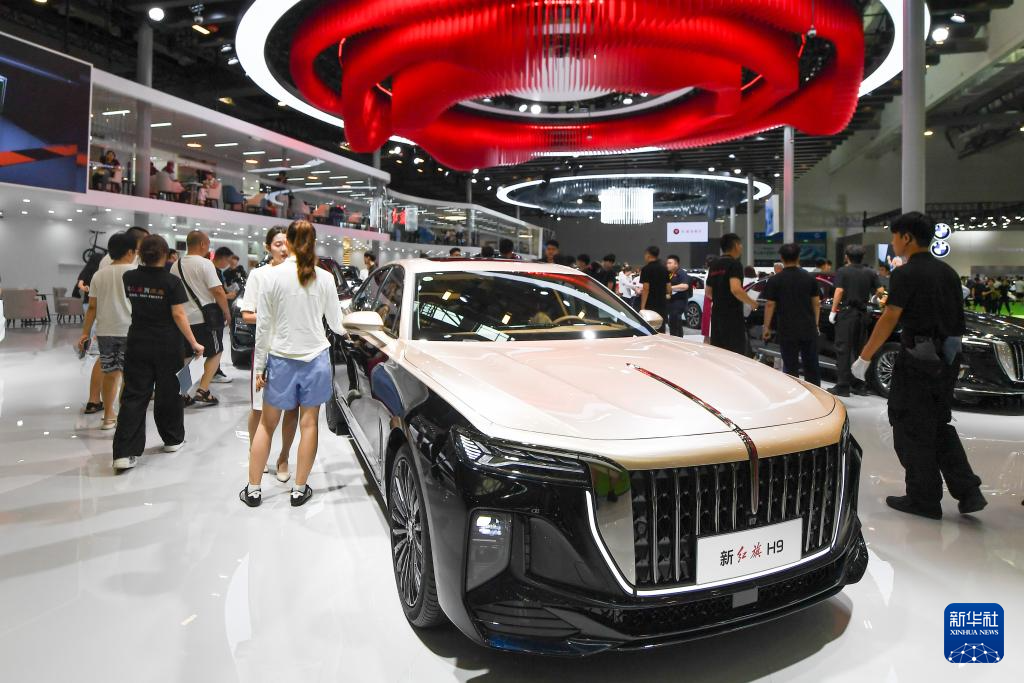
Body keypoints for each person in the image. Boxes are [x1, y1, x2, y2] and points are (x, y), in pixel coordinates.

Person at [853, 212, 986, 519]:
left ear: (907, 237)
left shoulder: (905, 273)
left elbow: (890, 317)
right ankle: (968, 491)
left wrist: (865, 356)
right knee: (938, 425)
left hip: (917, 359)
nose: (893, 243)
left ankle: (923, 498)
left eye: (894, 236)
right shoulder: (948, 273)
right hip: (947, 360)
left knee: (909, 426)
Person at [242, 221, 345, 508]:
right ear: (314, 242)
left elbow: (263, 327)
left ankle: (253, 489)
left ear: (287, 241)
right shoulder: (325, 278)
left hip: (280, 359)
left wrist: (260, 367)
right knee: (309, 424)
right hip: (316, 360)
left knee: (266, 425)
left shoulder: (271, 276)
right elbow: (336, 325)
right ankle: (299, 490)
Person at [112, 235, 205, 471]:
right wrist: (194, 342)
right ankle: (172, 439)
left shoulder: (129, 277)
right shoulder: (171, 282)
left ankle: (124, 453)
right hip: (167, 344)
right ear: (165, 254)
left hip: (137, 341)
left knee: (134, 395)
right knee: (169, 392)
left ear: (140, 254)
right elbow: (178, 315)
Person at [239, 227, 298, 482]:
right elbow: (246, 314)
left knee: (291, 409)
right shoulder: (259, 274)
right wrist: (273, 316)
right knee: (258, 409)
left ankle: (284, 457)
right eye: (277, 244)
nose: (283, 248)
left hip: (295, 351)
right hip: (267, 350)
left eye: (286, 243)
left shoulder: (299, 274)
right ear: (267, 247)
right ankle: (257, 454)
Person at [77, 232, 137, 429]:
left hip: (105, 332)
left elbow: (92, 307)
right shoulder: (135, 272)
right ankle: (125, 414)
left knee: (110, 373)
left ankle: (109, 415)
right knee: (129, 375)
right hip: (131, 330)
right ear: (130, 252)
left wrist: (85, 333)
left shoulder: (99, 274)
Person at [173, 230, 231, 406]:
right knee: (216, 351)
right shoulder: (205, 264)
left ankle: (182, 393)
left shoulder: (176, 264)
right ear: (202, 244)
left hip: (183, 320)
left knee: (189, 356)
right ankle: (203, 390)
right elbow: (218, 291)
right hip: (204, 319)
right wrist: (227, 312)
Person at [762, 243, 821, 386]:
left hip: (787, 328)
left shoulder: (775, 280)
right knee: (811, 365)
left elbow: (770, 305)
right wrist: (816, 324)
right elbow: (816, 303)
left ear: (782, 258)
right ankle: (816, 395)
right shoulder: (810, 278)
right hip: (808, 327)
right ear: (798, 257)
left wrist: (766, 327)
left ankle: (793, 393)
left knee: (790, 366)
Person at [829, 245, 883, 397]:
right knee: (860, 350)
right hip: (863, 314)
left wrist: (833, 310)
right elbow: (880, 291)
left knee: (843, 349)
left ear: (847, 256)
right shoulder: (870, 272)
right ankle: (859, 385)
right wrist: (874, 298)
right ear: (862, 257)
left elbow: (839, 291)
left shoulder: (843, 271)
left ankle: (843, 386)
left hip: (847, 314)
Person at [706, 233, 759, 355]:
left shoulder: (714, 265)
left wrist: (721, 299)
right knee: (735, 354)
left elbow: (708, 292)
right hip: (732, 318)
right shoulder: (735, 264)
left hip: (717, 316)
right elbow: (736, 289)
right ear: (735, 245)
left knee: (719, 353)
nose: (741, 247)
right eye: (740, 244)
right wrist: (752, 303)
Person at [638, 246, 669, 327]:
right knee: (661, 326)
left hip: (650, 304)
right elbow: (668, 286)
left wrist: (642, 307)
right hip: (662, 303)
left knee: (649, 327)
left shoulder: (646, 269)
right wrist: (667, 296)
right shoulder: (664, 268)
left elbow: (646, 289)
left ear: (648, 255)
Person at [665, 255, 690, 337]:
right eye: (667, 263)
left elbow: (685, 286)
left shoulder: (681, 273)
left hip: (679, 302)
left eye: (670, 263)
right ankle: (676, 339)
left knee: (675, 322)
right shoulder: (669, 274)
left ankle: (677, 339)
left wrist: (670, 288)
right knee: (673, 323)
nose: (667, 265)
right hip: (670, 302)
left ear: (676, 264)